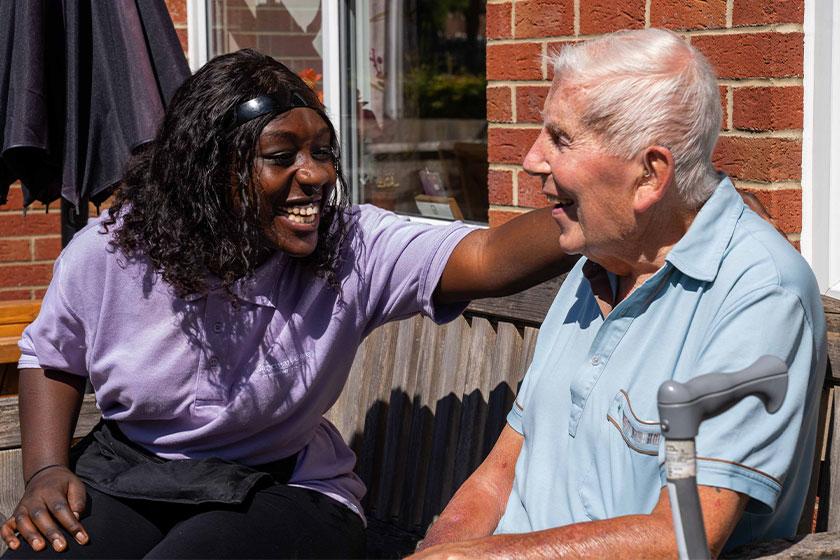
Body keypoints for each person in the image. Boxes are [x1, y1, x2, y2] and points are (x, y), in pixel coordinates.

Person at [0, 50, 575, 558]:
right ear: (211, 172)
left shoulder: (352, 247)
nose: (318, 174)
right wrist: (47, 468)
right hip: (132, 474)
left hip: (283, 487)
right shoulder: (114, 253)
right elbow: (53, 355)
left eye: (323, 152)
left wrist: (600, 207)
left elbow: (488, 255)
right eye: (283, 156)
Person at [413, 28, 827, 559]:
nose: (532, 160)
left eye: (560, 140)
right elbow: (502, 471)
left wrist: (466, 559)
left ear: (650, 176)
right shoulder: (600, 263)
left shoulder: (759, 294)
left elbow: (680, 536)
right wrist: (439, 548)